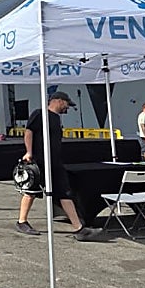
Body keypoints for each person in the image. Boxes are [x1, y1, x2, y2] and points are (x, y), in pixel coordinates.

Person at [17, 92, 102, 240]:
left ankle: (79, 228)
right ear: (58, 101)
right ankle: (21, 221)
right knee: (31, 191)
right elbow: (29, 132)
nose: (67, 107)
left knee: (65, 193)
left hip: (55, 162)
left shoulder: (56, 118)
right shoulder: (40, 114)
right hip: (39, 160)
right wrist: (29, 152)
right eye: (67, 104)